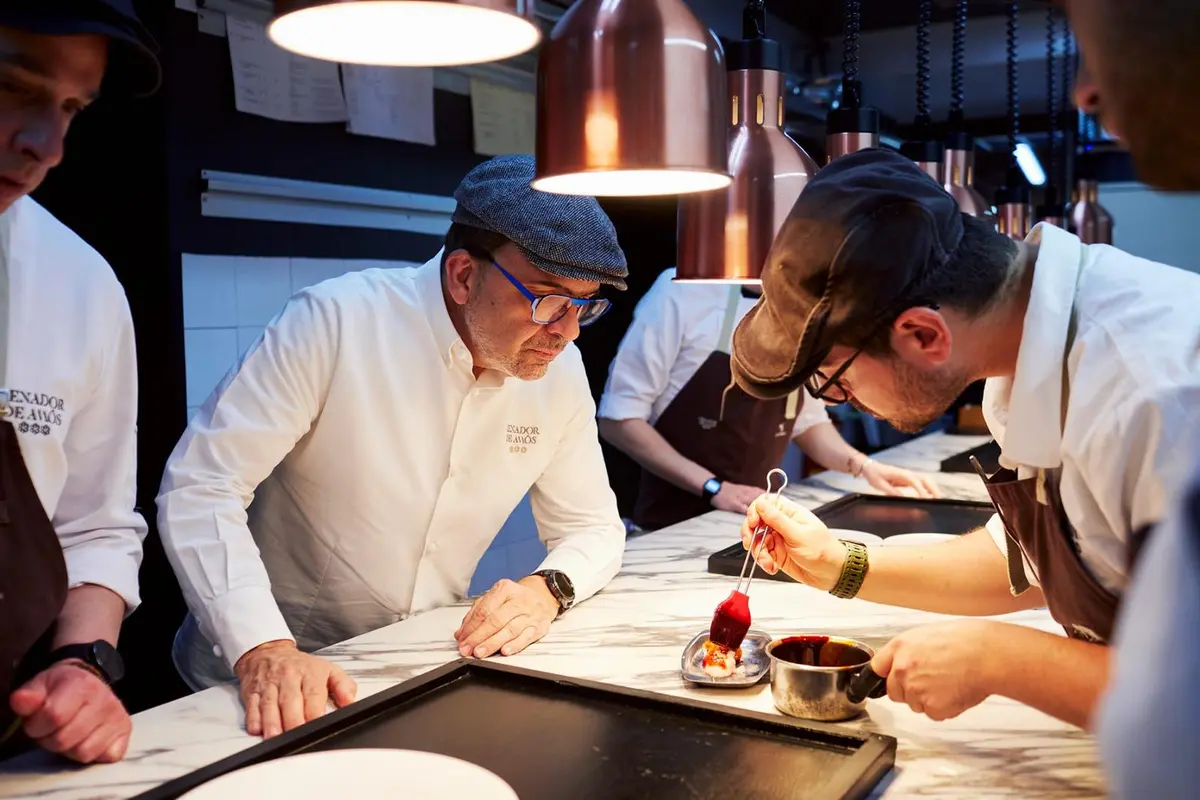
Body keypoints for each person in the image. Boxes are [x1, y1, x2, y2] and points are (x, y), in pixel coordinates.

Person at [157, 155, 629, 739]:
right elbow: (202, 487)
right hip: (252, 682)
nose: (568, 331)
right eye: (550, 303)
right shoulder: (336, 322)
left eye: (585, 307)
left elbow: (594, 527)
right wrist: (263, 647)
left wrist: (545, 589)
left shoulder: (559, 372)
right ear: (462, 276)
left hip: (408, 671)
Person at [728, 147, 1200, 728]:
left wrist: (999, 658)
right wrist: (839, 564)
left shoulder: (1158, 396)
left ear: (924, 335)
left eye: (836, 381)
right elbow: (1036, 558)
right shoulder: (1029, 347)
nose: (840, 400)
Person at [0, 0, 157, 765]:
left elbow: (95, 525)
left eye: (70, 108)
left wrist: (83, 663)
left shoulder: (80, 284)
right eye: (10, 86)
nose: (47, 146)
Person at [1062, 1, 1200, 795]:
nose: (1084, 89)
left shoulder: (1148, 384)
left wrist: (1000, 661)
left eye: (1091, 24)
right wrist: (849, 566)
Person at [597, 269, 937, 532]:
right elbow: (619, 420)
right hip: (667, 528)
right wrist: (714, 487)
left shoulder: (806, 311)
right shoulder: (684, 289)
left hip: (752, 526)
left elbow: (810, 424)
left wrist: (866, 467)